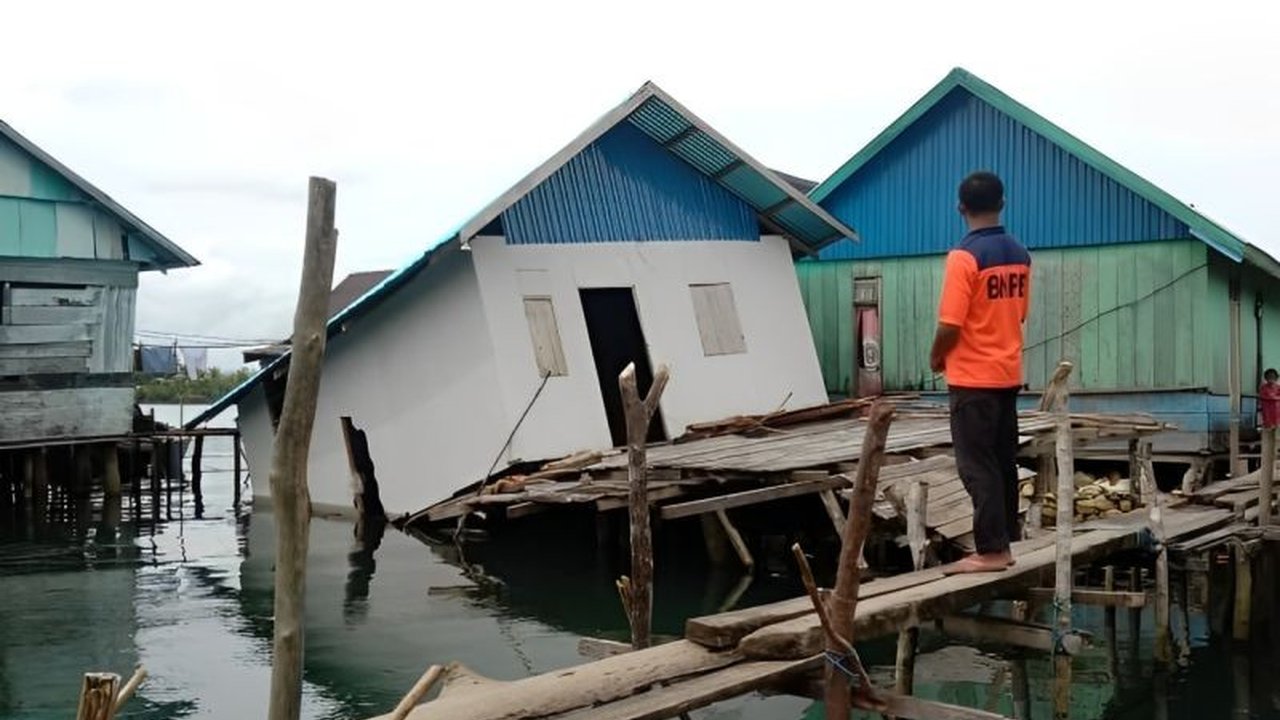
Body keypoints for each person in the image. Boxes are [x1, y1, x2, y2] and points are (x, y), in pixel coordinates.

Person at [930, 171, 1031, 574]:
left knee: (976, 466)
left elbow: (950, 324)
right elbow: (1020, 314)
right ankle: (1007, 539)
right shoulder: (1021, 254)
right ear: (1003, 203)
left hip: (972, 378)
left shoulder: (963, 257)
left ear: (961, 208)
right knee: (1003, 461)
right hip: (1007, 374)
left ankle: (991, 550)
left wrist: (937, 356)